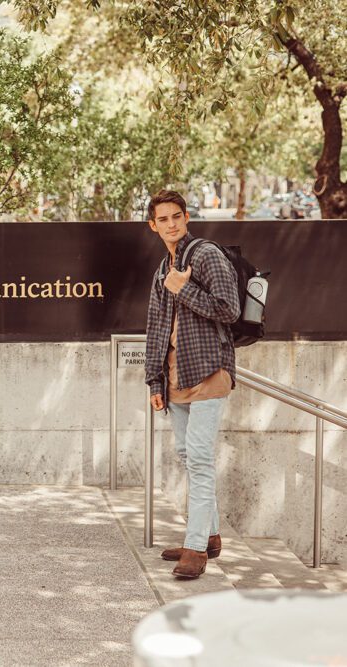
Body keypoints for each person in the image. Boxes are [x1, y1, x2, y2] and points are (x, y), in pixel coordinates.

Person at [144, 189, 241, 579]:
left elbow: (229, 308)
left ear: (187, 218)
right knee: (188, 456)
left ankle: (196, 548)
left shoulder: (206, 255)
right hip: (174, 378)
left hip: (208, 372)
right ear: (153, 226)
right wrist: (154, 380)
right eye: (163, 219)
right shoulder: (161, 270)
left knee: (199, 459)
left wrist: (184, 288)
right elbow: (155, 329)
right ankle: (209, 535)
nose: (171, 224)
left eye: (176, 216)